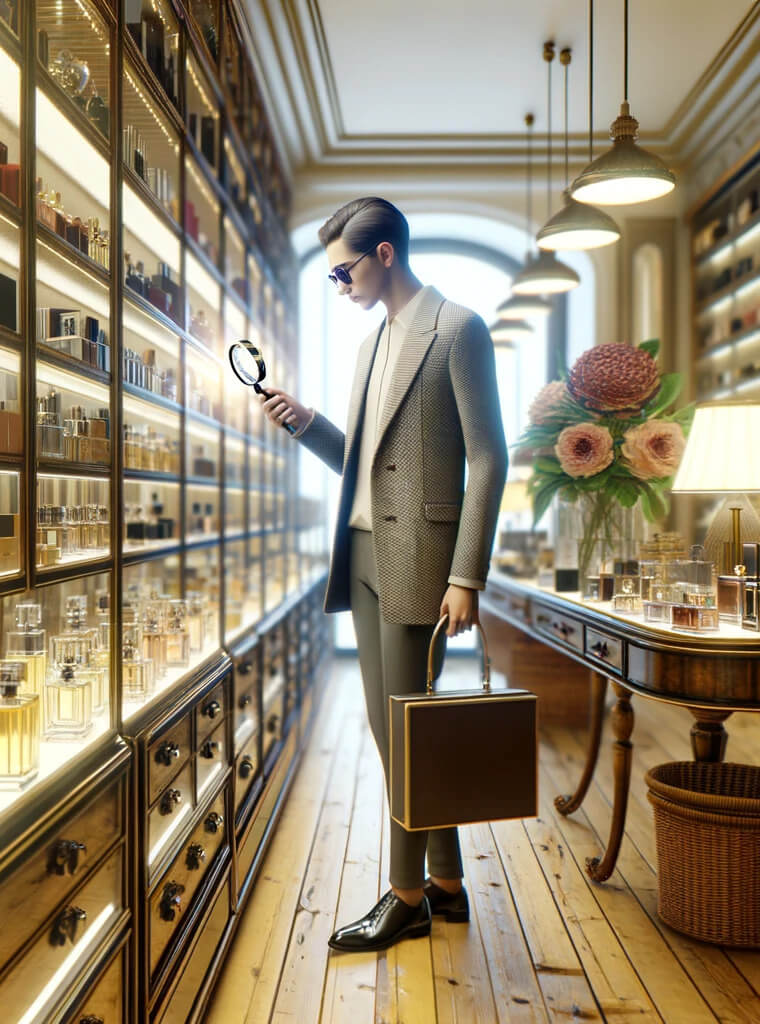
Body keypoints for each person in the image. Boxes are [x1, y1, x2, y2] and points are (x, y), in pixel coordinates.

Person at [259, 197, 508, 952]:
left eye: (344, 269)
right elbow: (366, 466)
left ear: (385, 255)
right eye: (333, 273)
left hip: (425, 565)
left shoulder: (457, 328)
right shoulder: (373, 344)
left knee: (402, 729)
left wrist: (467, 576)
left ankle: (405, 898)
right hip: (363, 553)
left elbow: (489, 456)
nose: (340, 283)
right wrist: (308, 425)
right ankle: (448, 882)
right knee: (391, 724)